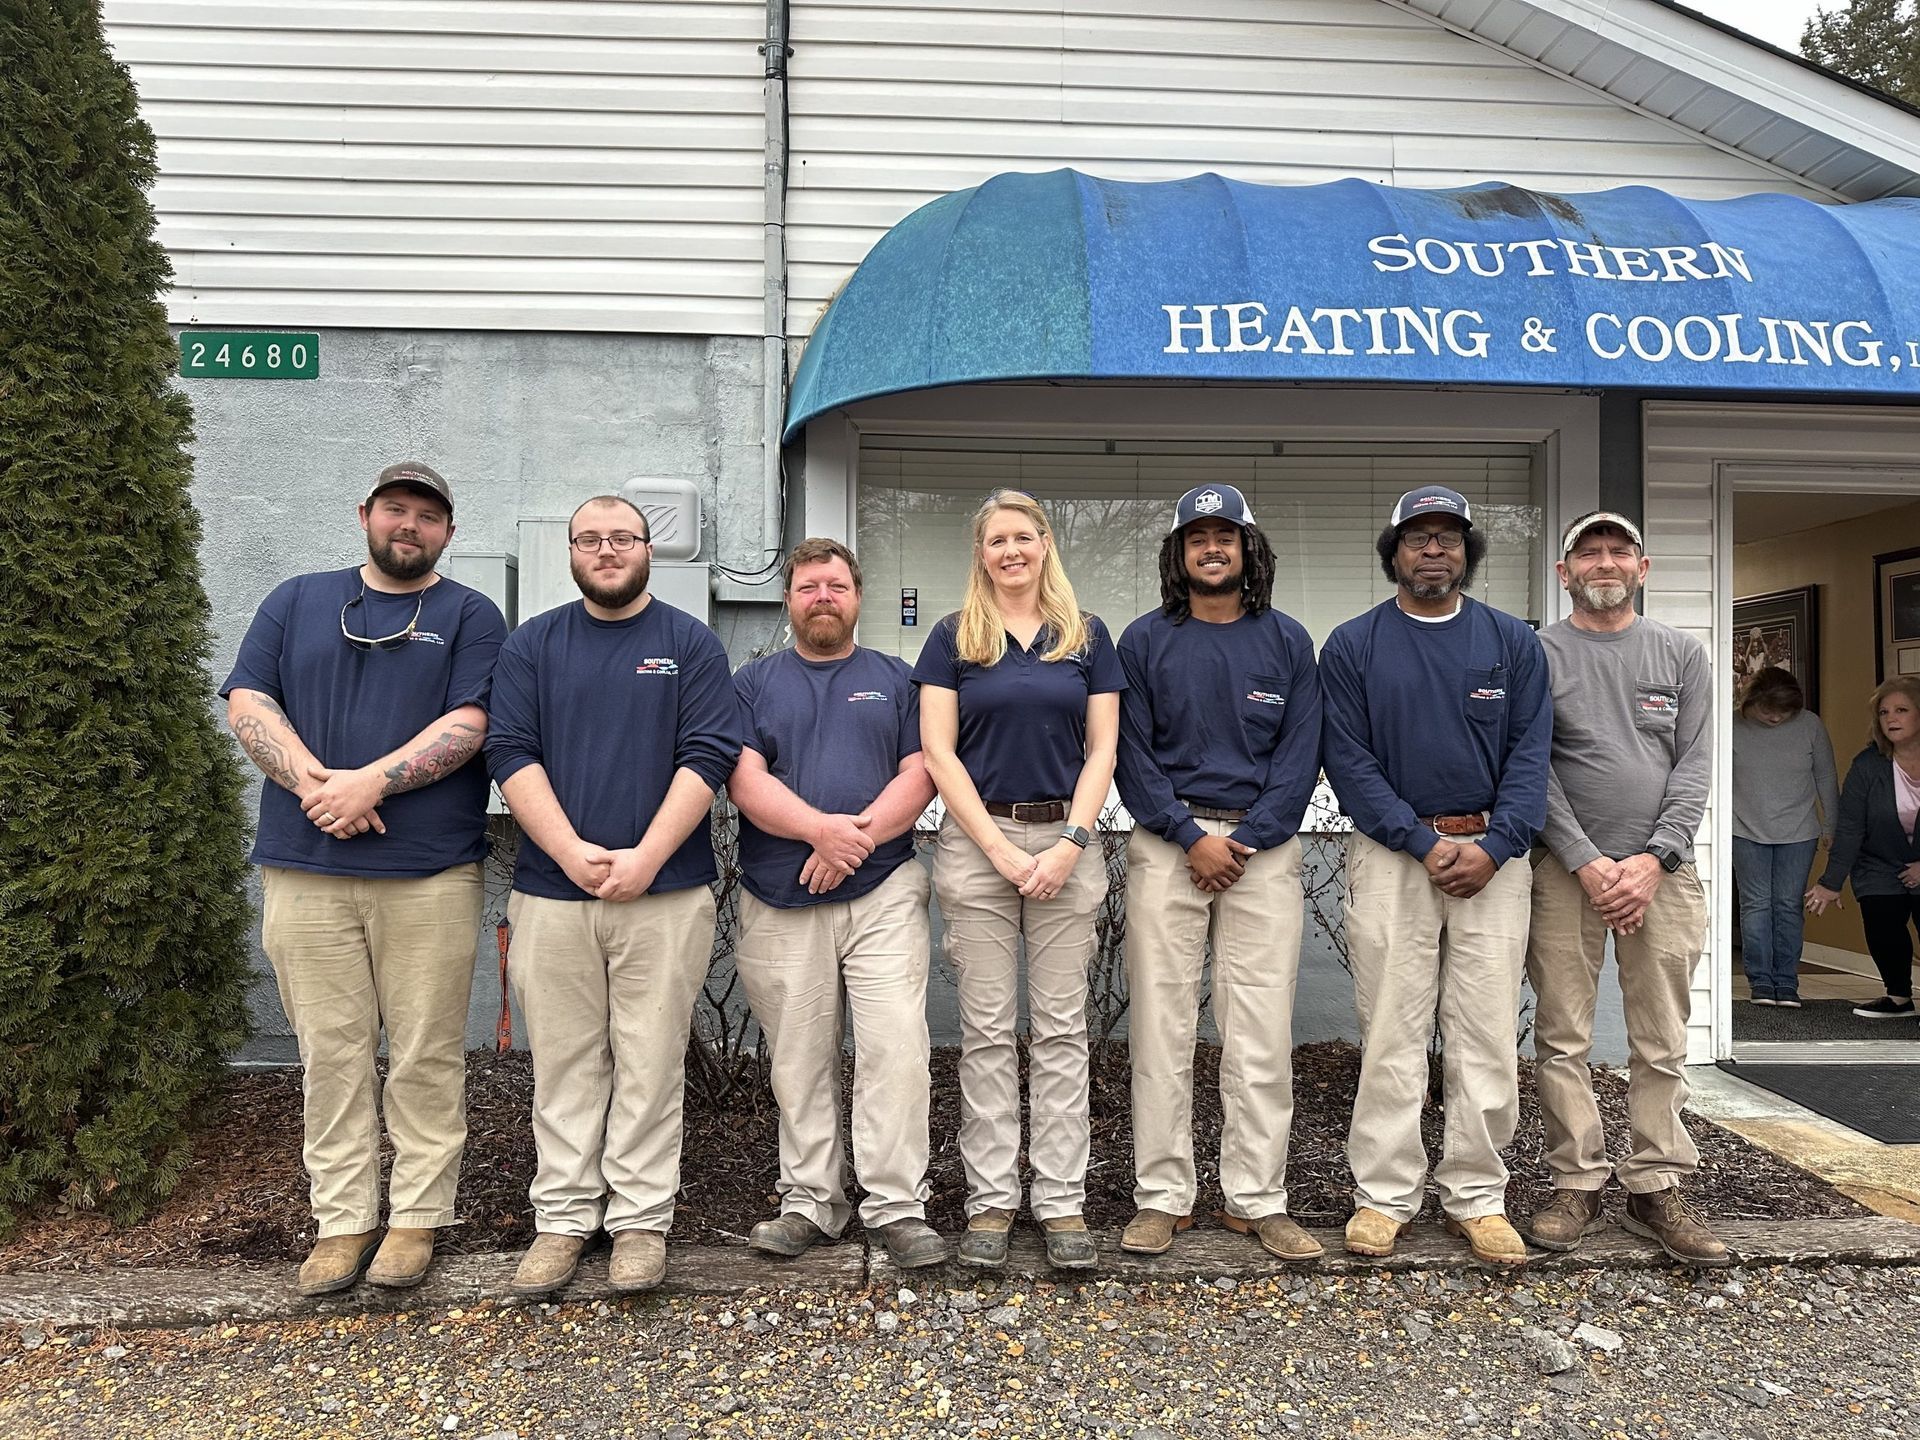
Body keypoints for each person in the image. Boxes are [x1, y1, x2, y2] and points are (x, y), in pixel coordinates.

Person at [221, 461, 506, 1296]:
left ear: (447, 532)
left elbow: (471, 722)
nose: (408, 526)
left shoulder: (468, 615)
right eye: (395, 510)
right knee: (331, 1054)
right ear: (365, 516)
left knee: (423, 1052)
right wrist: (320, 785)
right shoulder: (297, 600)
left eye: (426, 516)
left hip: (427, 873)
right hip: (306, 867)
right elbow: (248, 702)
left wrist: (372, 782)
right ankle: (341, 1221)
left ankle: (417, 1217)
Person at [486, 495, 744, 1296]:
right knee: (565, 1062)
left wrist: (645, 857)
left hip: (663, 893)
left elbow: (709, 753)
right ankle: (563, 1221)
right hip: (552, 895)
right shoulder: (534, 643)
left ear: (648, 550)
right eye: (590, 539)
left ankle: (639, 1222)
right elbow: (509, 748)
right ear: (570, 551)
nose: (606, 549)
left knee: (649, 1060)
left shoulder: (687, 643)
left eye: (622, 537)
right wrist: (567, 853)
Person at [1319, 485, 1550, 1267]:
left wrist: (1499, 842)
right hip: (1392, 857)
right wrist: (1418, 841)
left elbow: (1531, 753)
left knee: (1485, 1034)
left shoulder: (1512, 643)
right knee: (1392, 1029)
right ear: (1394, 554)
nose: (1433, 550)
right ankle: (1383, 1195)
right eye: (1417, 537)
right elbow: (1347, 761)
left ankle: (1478, 1197)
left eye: (1448, 537)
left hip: (1494, 857)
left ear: (1467, 552)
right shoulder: (1353, 646)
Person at [913, 489, 1123, 1270]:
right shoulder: (952, 638)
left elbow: (1102, 751)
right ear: (981, 553)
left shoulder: (1087, 637)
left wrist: (1071, 839)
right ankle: (994, 1200)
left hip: (1068, 838)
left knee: (1064, 1030)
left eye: (1023, 538)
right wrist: (999, 852)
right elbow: (940, 754)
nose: (1011, 551)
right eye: (996, 540)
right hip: (978, 843)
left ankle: (1062, 1201)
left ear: (1045, 544)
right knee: (989, 1033)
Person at [1113, 484, 1324, 1262]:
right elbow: (1130, 754)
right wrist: (1188, 834)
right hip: (1167, 848)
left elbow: (1301, 755)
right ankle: (1162, 1197)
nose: (1212, 548)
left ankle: (1256, 1198)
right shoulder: (1142, 641)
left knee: (1260, 1033)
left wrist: (1248, 839)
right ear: (1179, 553)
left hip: (1261, 855)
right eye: (1197, 536)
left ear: (1247, 550)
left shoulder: (1287, 641)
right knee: (1162, 1031)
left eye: (1226, 536)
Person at [728, 538, 945, 1269]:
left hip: (882, 892)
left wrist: (851, 843)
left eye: (837, 586)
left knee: (894, 1049)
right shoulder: (752, 684)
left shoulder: (897, 679)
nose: (823, 597)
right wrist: (819, 831)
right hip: (778, 898)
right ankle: (810, 1203)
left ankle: (897, 1206)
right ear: (788, 600)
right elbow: (743, 780)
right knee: (798, 1058)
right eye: (809, 586)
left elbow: (922, 772)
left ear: (857, 597)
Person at [1523, 512, 1728, 1268]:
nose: (1604, 562)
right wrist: (1583, 858)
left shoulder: (1679, 653)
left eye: (1619, 551)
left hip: (1663, 876)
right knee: (1562, 1036)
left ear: (1642, 569)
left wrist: (1653, 860)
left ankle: (1655, 1184)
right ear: (1564, 571)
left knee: (1661, 1037)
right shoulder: (1536, 653)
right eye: (1589, 552)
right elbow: (1530, 764)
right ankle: (1576, 1180)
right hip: (1564, 871)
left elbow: (1695, 762)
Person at [1806, 677, 1920, 1021]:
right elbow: (1851, 827)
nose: (1891, 718)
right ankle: (1899, 997)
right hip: (1879, 860)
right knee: (1882, 918)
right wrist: (1830, 881)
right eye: (1884, 712)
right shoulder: (1868, 765)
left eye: (1902, 710)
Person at [1731, 666, 1837, 1008]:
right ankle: (1761, 982)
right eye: (1767, 710)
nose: (1776, 718)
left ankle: (1786, 983)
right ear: (1751, 703)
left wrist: (1830, 827)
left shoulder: (1810, 726)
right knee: (1756, 905)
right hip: (1744, 828)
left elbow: (1826, 779)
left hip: (1799, 831)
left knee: (1789, 906)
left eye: (1784, 711)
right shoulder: (1731, 725)